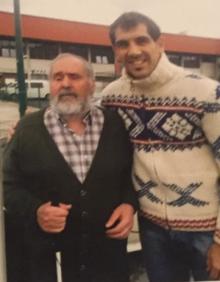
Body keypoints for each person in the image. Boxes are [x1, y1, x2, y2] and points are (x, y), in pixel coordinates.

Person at [102, 11, 220, 282]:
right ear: (115, 50)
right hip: (152, 227)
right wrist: (30, 126)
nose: (133, 51)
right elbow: (81, 121)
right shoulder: (112, 97)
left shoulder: (206, 93)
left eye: (141, 40)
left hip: (207, 229)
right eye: (123, 44)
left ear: (160, 43)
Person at [3, 53, 137, 282]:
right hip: (48, 265)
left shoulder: (116, 125)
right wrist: (36, 211)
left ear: (92, 84)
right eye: (58, 77)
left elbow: (130, 175)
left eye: (74, 76)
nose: (65, 83)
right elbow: (7, 186)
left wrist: (129, 204)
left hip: (107, 262)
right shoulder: (26, 130)